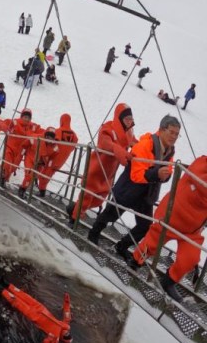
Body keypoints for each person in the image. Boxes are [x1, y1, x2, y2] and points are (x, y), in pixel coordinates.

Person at [87, 115, 179, 261]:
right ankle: (93, 234)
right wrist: (158, 174)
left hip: (145, 195)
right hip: (128, 190)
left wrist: (164, 176)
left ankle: (122, 246)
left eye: (176, 134)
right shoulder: (144, 145)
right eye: (171, 132)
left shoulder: (169, 150)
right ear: (161, 130)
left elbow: (167, 171)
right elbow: (136, 175)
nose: (174, 137)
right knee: (110, 215)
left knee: (145, 225)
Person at [131, 156, 207, 302]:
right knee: (150, 246)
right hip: (170, 218)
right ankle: (135, 261)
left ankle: (169, 281)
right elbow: (202, 185)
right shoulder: (202, 164)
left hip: (192, 231)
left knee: (191, 258)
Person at [67, 103, 136, 222]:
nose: (129, 122)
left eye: (131, 119)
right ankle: (74, 220)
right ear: (119, 118)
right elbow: (104, 142)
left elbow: (136, 143)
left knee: (99, 200)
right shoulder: (108, 128)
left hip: (108, 175)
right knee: (86, 198)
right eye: (126, 119)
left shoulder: (128, 133)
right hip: (96, 170)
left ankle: (73, 208)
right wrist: (116, 148)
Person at [0, 279, 72, 343]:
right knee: (25, 296)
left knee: (17, 302)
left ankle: (0, 289)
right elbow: (67, 312)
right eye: (69, 334)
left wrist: (50, 341)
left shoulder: (55, 338)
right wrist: (66, 301)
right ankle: (6, 284)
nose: (67, 334)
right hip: (41, 308)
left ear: (63, 339)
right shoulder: (66, 324)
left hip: (34, 316)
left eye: (66, 336)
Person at [36, 113, 78, 196]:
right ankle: (41, 190)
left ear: (61, 121)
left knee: (44, 175)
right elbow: (74, 146)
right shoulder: (74, 134)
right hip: (62, 160)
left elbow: (51, 143)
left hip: (53, 158)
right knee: (46, 174)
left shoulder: (58, 131)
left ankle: (41, 192)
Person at [0, 108, 43, 187]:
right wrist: (7, 129)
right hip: (10, 147)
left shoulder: (33, 127)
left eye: (28, 117)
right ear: (22, 116)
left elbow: (43, 132)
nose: (26, 119)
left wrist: (52, 136)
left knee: (13, 168)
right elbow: (3, 123)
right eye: (25, 117)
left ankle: (5, 180)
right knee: (6, 164)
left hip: (20, 152)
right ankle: (2, 179)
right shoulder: (15, 122)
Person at [19, 127, 59, 197]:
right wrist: (22, 154)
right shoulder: (35, 138)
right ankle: (22, 190)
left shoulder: (54, 146)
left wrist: (48, 165)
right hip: (30, 158)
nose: (49, 139)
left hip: (41, 163)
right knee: (29, 176)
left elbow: (54, 156)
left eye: (51, 137)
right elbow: (25, 145)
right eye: (48, 136)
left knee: (34, 176)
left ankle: (26, 186)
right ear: (46, 135)